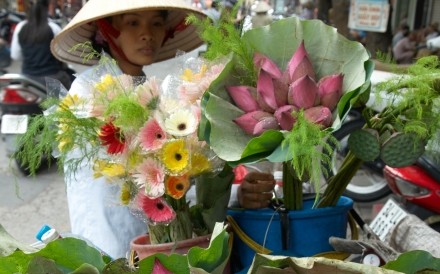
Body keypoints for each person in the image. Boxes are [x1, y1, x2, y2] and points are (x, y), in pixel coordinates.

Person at [50, 0, 275, 259]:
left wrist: (233, 192)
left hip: (149, 244)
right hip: (108, 248)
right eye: (133, 23)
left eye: (156, 23)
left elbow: (170, 180)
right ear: (106, 29)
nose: (147, 34)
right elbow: (145, 179)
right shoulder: (89, 93)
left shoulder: (144, 89)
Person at [10, 0, 72, 89]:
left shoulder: (20, 27)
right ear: (47, 9)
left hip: (28, 78)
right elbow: (62, 55)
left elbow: (15, 56)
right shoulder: (53, 27)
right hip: (53, 77)